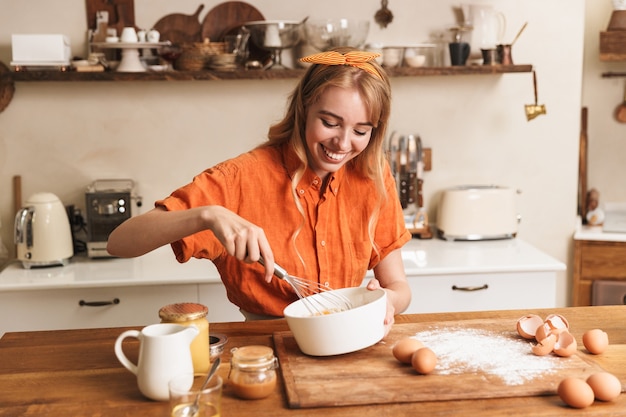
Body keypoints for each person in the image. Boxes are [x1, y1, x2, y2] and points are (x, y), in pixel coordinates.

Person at [107, 47, 412, 330]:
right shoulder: (241, 178)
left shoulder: (372, 176)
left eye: (361, 131)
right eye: (330, 123)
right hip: (263, 350)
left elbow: (400, 288)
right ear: (304, 109)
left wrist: (387, 301)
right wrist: (207, 216)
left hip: (347, 340)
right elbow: (120, 243)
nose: (343, 144)